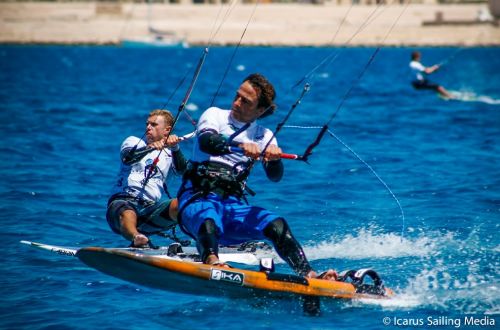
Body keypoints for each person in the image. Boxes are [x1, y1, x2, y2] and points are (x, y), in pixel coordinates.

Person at [177, 73, 336, 280]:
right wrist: (239, 146)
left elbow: (275, 177)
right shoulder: (215, 115)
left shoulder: (264, 135)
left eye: (245, 101)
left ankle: (310, 274)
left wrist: (274, 159)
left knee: (277, 225)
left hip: (232, 207)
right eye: (237, 96)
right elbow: (207, 141)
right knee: (209, 220)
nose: (236, 102)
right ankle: (213, 262)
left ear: (260, 110)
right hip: (197, 199)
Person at [106, 109, 187, 248]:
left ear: (167, 130)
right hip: (122, 204)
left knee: (182, 204)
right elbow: (128, 158)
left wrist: (176, 148)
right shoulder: (134, 141)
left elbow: (183, 171)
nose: (148, 127)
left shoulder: (170, 154)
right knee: (128, 212)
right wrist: (150, 148)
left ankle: (205, 241)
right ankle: (137, 238)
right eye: (147, 124)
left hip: (149, 212)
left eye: (154, 125)